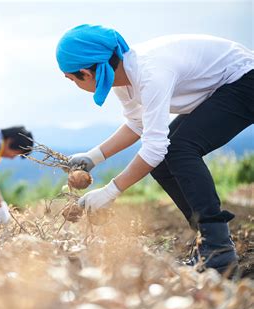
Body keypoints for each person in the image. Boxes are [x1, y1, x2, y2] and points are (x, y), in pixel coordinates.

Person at [55, 24, 253, 274]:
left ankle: (217, 250)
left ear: (86, 72)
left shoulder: (150, 73)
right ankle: (210, 242)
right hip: (223, 87)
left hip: (245, 80)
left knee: (180, 148)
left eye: (71, 78)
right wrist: (94, 156)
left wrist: (109, 191)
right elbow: (138, 124)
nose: (73, 83)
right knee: (165, 162)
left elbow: (155, 148)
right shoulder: (122, 80)